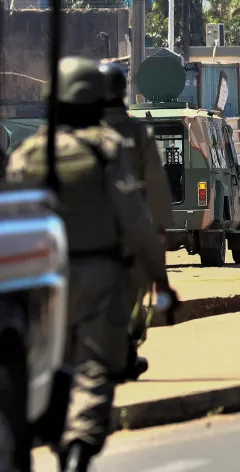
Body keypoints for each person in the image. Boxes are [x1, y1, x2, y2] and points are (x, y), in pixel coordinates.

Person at [6, 57, 174, 472]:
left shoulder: (28, 152)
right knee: (95, 368)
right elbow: (136, 219)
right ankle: (79, 444)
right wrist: (160, 277)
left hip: (42, 279)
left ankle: (38, 438)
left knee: (51, 365)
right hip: (100, 275)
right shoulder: (109, 148)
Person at [98, 62, 174, 381]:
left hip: (84, 235)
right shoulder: (135, 133)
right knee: (135, 298)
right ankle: (128, 352)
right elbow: (156, 188)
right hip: (131, 235)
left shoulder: (76, 132)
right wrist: (159, 231)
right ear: (123, 91)